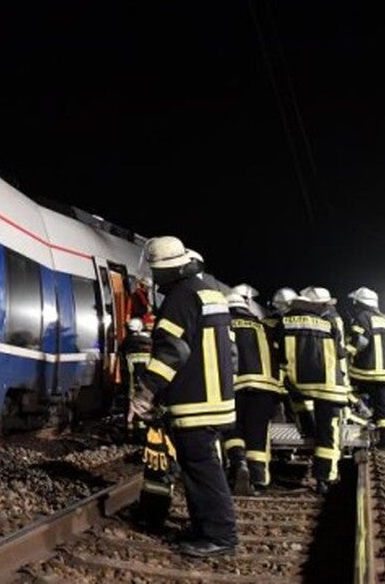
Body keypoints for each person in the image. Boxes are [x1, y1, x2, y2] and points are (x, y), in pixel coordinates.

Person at [127, 236, 238, 556]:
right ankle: (206, 527)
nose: (155, 278)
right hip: (216, 397)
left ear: (167, 270)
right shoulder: (208, 291)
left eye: (156, 271)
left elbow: (170, 353)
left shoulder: (180, 298)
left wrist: (145, 392)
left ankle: (220, 535)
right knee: (202, 465)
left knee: (202, 468)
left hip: (195, 400)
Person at [280, 286, 348, 494]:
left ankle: (309, 432)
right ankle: (323, 479)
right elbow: (340, 352)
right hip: (329, 385)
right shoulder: (330, 321)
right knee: (329, 434)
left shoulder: (285, 320)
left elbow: (278, 350)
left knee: (301, 409)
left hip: (297, 383)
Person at [222, 290, 284, 494]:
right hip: (264, 387)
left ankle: (238, 464)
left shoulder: (224, 325)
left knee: (233, 429)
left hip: (234, 385)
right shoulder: (264, 327)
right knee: (258, 433)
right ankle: (258, 480)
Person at [344, 287, 385, 452]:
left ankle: (363, 419)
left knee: (350, 392)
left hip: (366, 370)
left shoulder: (361, 317)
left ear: (359, 303)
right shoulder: (384, 318)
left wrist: (345, 352)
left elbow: (360, 342)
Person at [266, 287, 316, 439]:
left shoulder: (269, 322)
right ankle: (306, 435)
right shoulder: (307, 321)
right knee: (299, 409)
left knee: (281, 410)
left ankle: (288, 445)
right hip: (293, 376)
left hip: (276, 376)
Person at [122, 317, 154, 436]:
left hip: (132, 383)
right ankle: (145, 429)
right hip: (149, 384)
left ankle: (131, 429)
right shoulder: (150, 344)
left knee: (131, 405)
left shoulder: (126, 345)